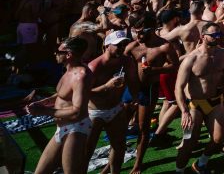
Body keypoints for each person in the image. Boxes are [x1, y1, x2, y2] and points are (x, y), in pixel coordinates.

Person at [28, 36, 94, 174]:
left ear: (68, 54)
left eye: (59, 51)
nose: (55, 53)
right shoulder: (67, 70)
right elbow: (63, 94)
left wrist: (45, 111)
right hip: (62, 127)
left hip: (76, 127)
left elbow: (78, 112)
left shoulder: (81, 76)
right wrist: (44, 102)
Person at [126, 13, 179, 174]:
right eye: (136, 32)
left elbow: (174, 66)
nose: (138, 35)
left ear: (152, 29)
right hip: (129, 90)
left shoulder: (164, 46)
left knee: (143, 128)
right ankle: (112, 163)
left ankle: (137, 164)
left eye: (142, 32)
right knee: (119, 127)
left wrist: (155, 70)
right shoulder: (133, 46)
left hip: (148, 90)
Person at [175, 22, 224, 174]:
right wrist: (184, 111)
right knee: (188, 144)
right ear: (203, 37)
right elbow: (178, 87)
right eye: (213, 35)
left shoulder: (223, 53)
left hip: (215, 102)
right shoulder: (191, 59)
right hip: (194, 106)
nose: (217, 38)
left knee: (219, 140)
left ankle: (201, 164)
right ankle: (179, 171)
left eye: (218, 35)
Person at [85, 29, 139, 174]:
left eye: (124, 45)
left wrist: (135, 98)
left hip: (116, 108)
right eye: (118, 45)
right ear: (107, 46)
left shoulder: (127, 61)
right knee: (87, 150)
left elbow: (133, 81)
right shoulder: (94, 66)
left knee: (119, 146)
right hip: (95, 112)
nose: (122, 48)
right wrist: (106, 86)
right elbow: (83, 93)